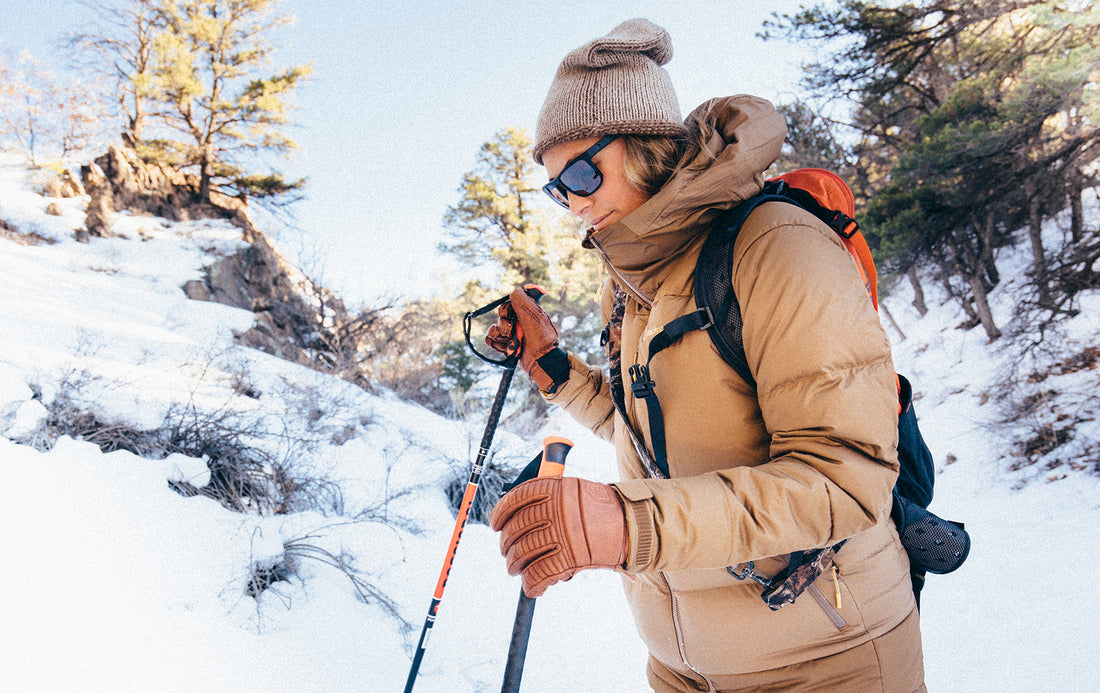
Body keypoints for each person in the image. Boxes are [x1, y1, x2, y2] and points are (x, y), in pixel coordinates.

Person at [486, 18, 924, 693]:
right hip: (683, 669)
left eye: (581, 171)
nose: (572, 203)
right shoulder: (632, 285)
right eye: (556, 187)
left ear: (643, 145)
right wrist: (550, 362)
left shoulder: (776, 247)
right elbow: (640, 426)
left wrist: (631, 525)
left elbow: (845, 476)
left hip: (826, 662)